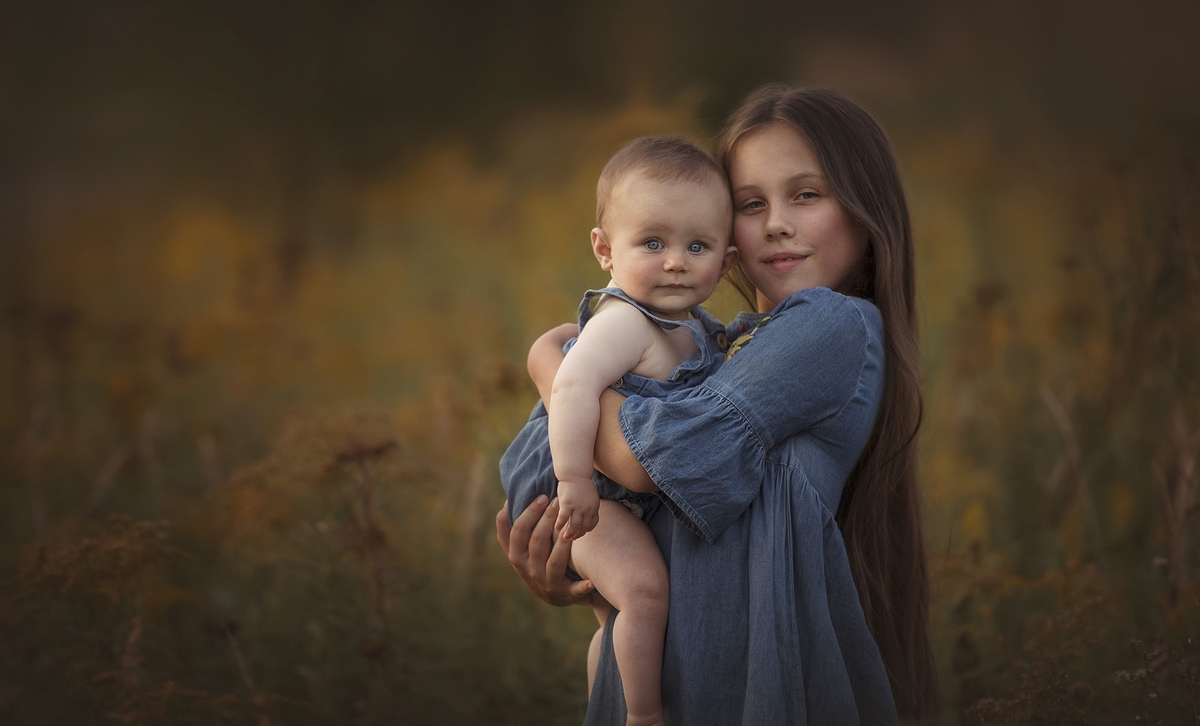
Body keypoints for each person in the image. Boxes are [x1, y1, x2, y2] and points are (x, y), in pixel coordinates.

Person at [497, 84, 939, 724]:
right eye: (751, 203)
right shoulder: (714, 346)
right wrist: (591, 584)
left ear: (867, 210)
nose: (777, 222)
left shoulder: (833, 324)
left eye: (807, 194)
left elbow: (654, 462)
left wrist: (552, 370)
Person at [501, 136, 738, 726]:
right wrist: (575, 478)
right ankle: (643, 715)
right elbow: (571, 387)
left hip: (607, 486)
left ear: (727, 261)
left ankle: (605, 697)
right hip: (575, 483)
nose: (676, 261)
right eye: (652, 243)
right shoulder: (626, 321)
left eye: (697, 245)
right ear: (605, 250)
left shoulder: (697, 328)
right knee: (643, 592)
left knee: (616, 619)